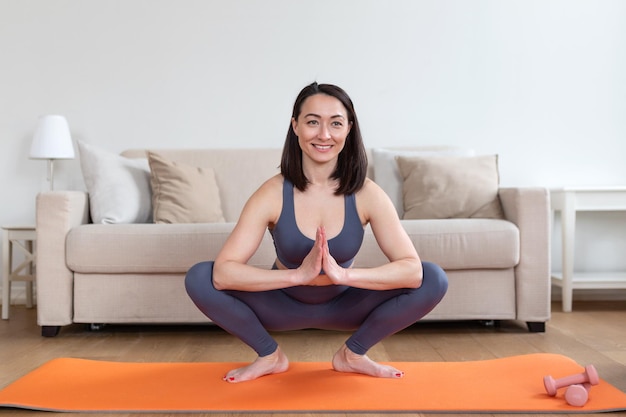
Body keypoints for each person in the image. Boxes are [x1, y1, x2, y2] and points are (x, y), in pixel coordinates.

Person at [185, 82, 448, 383]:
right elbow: (223, 273)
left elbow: (412, 271)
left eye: (335, 123)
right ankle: (269, 356)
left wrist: (345, 276)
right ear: (295, 126)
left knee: (433, 277)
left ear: (349, 128)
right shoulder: (271, 193)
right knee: (199, 276)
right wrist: (296, 276)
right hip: (281, 305)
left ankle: (353, 354)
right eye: (313, 122)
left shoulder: (367, 194)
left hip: (347, 304)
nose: (324, 135)